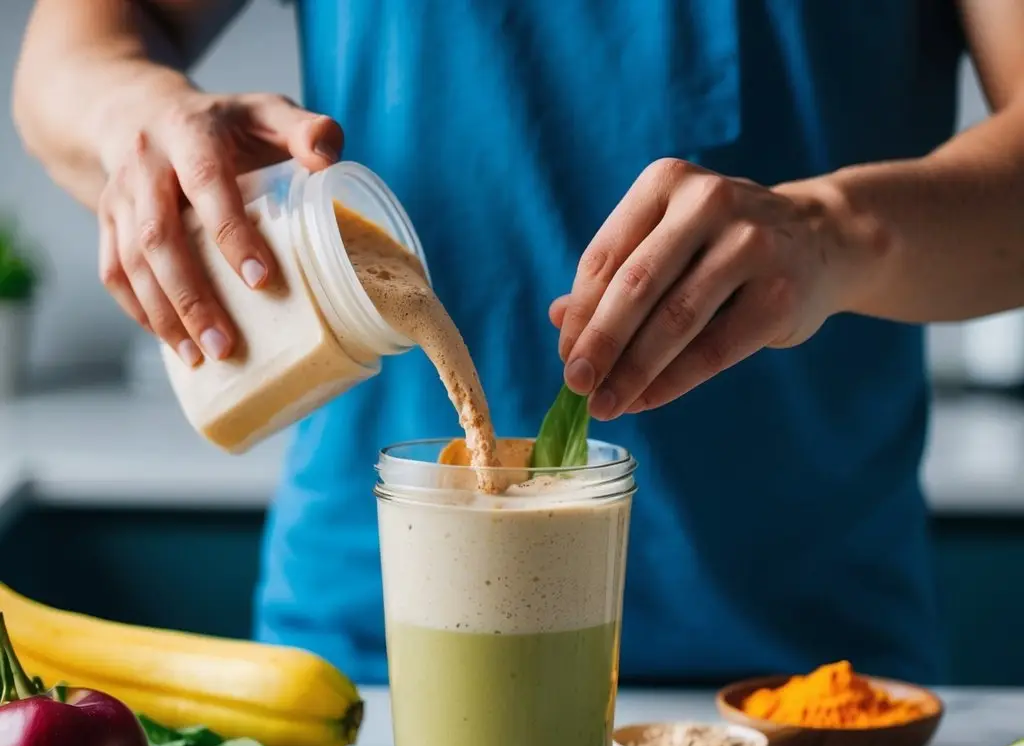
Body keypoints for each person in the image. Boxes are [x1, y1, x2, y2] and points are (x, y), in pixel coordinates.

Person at [13, 1, 1024, 688]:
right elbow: (69, 54)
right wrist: (131, 115)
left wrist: (835, 232)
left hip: (809, 683)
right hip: (375, 674)